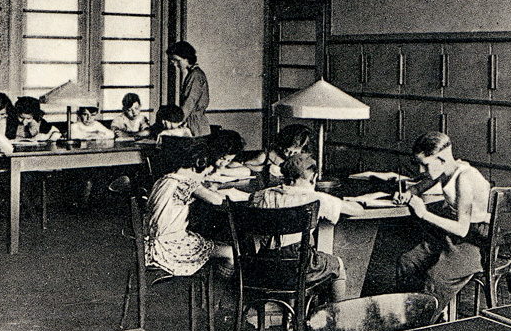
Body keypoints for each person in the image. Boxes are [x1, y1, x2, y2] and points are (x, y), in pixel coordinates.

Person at [394, 132, 491, 313]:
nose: (421, 171)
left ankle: (423, 322)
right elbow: (418, 186)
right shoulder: (445, 170)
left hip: (477, 241)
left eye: (425, 165)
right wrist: (408, 193)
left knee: (435, 278)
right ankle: (405, 315)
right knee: (407, 261)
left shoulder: (464, 178)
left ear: (442, 159)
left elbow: (462, 229)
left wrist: (423, 213)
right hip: (456, 238)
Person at [248, 153, 360, 302]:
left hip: (263, 266)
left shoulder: (261, 195)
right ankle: (335, 319)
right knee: (337, 264)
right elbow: (356, 210)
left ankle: (290, 315)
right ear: (313, 177)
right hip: (297, 268)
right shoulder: (316, 198)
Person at [145, 139, 231, 276]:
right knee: (230, 252)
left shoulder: (166, 179)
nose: (202, 178)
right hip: (169, 247)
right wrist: (211, 190)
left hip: (151, 243)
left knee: (212, 243)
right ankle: (220, 290)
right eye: (203, 174)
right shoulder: (185, 183)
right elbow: (216, 200)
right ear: (196, 167)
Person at [240, 123, 313, 187]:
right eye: (287, 151)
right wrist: (265, 168)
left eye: (295, 153)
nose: (290, 155)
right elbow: (245, 165)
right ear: (282, 145)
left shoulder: (303, 159)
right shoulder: (267, 155)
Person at [167, 41, 210, 137]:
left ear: (186, 59)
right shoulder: (193, 74)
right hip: (193, 121)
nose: (174, 64)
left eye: (177, 60)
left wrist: (178, 122)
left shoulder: (196, 75)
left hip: (196, 123)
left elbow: (190, 101)